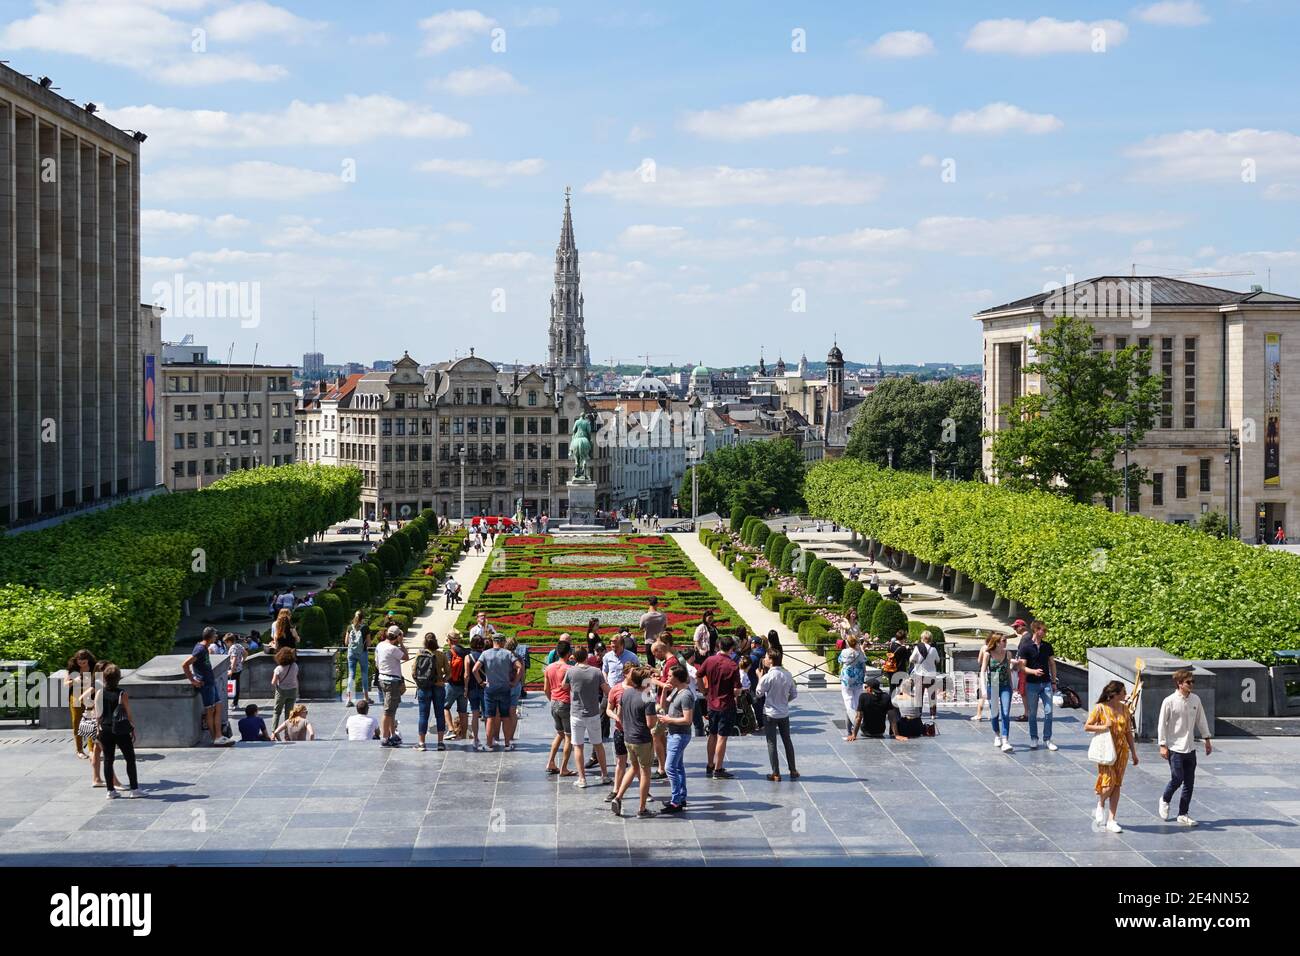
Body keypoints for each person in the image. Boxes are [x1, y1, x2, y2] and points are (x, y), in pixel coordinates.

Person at [1158, 668, 1212, 826]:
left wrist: (1207, 739)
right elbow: (1162, 724)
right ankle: (1165, 799)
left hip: (1190, 747)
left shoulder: (1195, 699)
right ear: (1179, 683)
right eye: (1189, 682)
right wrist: (1162, 744)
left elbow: (1201, 720)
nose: (1192, 684)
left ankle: (1183, 813)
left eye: (1193, 681)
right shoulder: (1169, 701)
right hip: (1174, 747)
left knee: (1189, 782)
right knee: (1177, 778)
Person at [1085, 680, 1138, 833]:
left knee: (1117, 784)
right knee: (1109, 782)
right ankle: (1101, 803)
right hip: (1106, 749)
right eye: (1123, 692)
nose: (1126, 694)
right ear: (1114, 694)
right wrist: (1103, 726)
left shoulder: (1124, 708)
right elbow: (1087, 726)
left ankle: (1112, 819)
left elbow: (1128, 732)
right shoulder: (1100, 708)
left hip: (1122, 750)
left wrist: (1133, 752)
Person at [610, 666, 659, 818]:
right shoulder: (647, 696)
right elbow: (650, 723)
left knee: (633, 767)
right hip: (642, 739)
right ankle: (642, 809)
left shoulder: (626, 692)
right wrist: (659, 716)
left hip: (628, 737)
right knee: (645, 773)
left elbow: (620, 714)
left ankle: (618, 797)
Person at [564, 647, 611, 788]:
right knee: (598, 745)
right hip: (593, 713)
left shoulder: (571, 671)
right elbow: (607, 690)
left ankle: (582, 779)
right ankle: (605, 775)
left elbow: (564, 686)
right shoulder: (596, 672)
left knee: (578, 746)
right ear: (587, 657)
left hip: (576, 714)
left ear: (574, 657)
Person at [701, 634, 742, 778]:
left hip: (711, 703)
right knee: (722, 737)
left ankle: (709, 764)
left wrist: (704, 691)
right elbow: (737, 689)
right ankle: (718, 769)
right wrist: (736, 695)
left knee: (712, 734)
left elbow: (698, 676)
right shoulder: (732, 665)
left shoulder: (710, 660)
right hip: (726, 705)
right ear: (731, 649)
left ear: (719, 646)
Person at [95, 664, 139, 798]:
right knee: (129, 758)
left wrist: (98, 729)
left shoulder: (99, 692)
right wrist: (132, 727)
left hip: (105, 729)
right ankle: (134, 790)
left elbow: (98, 714)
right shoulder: (122, 693)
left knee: (108, 759)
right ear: (119, 678)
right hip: (120, 729)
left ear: (105, 678)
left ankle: (111, 791)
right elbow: (128, 712)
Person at [474, 633, 523, 751]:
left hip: (490, 688)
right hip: (505, 687)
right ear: (502, 642)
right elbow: (519, 667)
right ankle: (507, 744)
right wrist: (515, 682)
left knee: (490, 717)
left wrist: (481, 682)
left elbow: (474, 669)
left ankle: (489, 744)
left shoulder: (485, 653)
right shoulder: (508, 654)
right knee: (505, 716)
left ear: (492, 641)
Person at [756, 650, 799, 781]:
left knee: (771, 743)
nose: (764, 659)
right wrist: (785, 701)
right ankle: (793, 769)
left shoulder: (768, 676)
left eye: (767, 657)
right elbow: (794, 694)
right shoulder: (787, 674)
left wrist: (759, 677)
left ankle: (776, 772)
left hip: (770, 713)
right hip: (783, 713)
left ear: (771, 660)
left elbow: (759, 693)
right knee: (787, 741)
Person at [182, 627, 229, 746]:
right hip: (206, 684)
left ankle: (219, 736)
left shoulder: (204, 648)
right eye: (214, 635)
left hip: (210, 682)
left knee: (218, 706)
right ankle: (215, 738)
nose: (216, 637)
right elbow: (185, 665)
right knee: (210, 710)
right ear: (210, 637)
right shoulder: (200, 649)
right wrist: (193, 680)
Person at [1016, 621, 1058, 750]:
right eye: (1043, 630)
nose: (1044, 633)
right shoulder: (1026, 647)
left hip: (1046, 683)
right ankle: (1034, 738)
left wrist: (1054, 681)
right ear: (1035, 630)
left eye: (1045, 631)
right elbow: (1022, 667)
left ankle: (1047, 739)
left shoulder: (1047, 646)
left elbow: (1052, 663)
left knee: (1049, 711)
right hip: (1032, 684)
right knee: (1032, 713)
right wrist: (1033, 671)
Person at [658, 663, 694, 813]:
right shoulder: (676, 691)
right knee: (678, 767)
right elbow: (663, 706)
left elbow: (688, 720)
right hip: (674, 734)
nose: (667, 677)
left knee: (669, 767)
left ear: (678, 678)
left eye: (670, 675)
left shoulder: (685, 695)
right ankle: (681, 797)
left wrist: (668, 720)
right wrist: (665, 691)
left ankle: (676, 802)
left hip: (680, 735)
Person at [980, 634, 1018, 754]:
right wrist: (984, 690)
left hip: (1005, 685)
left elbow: (1008, 670)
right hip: (994, 683)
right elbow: (982, 673)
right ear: (996, 642)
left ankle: (1005, 739)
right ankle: (997, 734)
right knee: (994, 713)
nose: (1005, 642)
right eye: (1003, 641)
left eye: (1006, 641)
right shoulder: (988, 654)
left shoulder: (1008, 654)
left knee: (1006, 712)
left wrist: (1012, 686)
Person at [544, 639, 575, 776]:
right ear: (569, 653)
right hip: (566, 703)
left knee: (559, 733)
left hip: (554, 702)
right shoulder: (570, 669)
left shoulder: (549, 668)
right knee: (569, 736)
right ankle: (564, 768)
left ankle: (550, 761)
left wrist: (552, 699)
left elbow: (546, 689)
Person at [413, 632, 449, 752]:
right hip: (438, 686)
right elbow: (449, 672)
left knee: (423, 715)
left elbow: (414, 672)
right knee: (439, 715)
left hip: (424, 687)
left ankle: (422, 743)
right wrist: (442, 680)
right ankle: (440, 742)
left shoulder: (420, 654)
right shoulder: (441, 654)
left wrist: (419, 682)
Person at [376, 625, 408, 747]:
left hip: (382, 679)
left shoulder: (380, 645)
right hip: (391, 681)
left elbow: (377, 663)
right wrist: (402, 644)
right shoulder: (393, 649)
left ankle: (392, 735)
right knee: (388, 710)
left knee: (391, 709)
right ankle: (385, 738)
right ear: (397, 636)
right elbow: (406, 657)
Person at [66, 649, 97, 760]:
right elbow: (66, 684)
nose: (82, 664)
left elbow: (97, 683)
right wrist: (74, 681)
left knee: (90, 722)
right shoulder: (73, 668)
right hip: (75, 697)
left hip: (89, 696)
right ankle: (79, 750)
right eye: (80, 663)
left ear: (88, 660)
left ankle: (91, 750)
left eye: (84, 662)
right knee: (77, 722)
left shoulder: (94, 667)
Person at [909, 630, 940, 731]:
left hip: (920, 674)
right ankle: (933, 714)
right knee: (932, 695)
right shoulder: (933, 649)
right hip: (931, 674)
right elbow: (938, 660)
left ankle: (919, 713)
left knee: (919, 695)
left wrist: (917, 662)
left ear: (922, 638)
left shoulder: (918, 648)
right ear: (930, 639)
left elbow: (911, 659)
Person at [444, 631, 470, 739]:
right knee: (463, 711)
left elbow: (449, 666)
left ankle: (450, 730)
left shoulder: (449, 652)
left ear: (449, 641)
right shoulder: (466, 651)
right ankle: (463, 734)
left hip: (452, 684)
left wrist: (445, 677)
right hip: (464, 685)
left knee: (445, 707)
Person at [838, 634, 867, 728]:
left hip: (847, 677)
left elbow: (840, 661)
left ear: (848, 642)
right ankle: (857, 718)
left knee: (848, 698)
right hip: (858, 676)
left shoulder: (844, 651)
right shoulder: (860, 652)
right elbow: (863, 665)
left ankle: (854, 719)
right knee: (857, 698)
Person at [465, 635, 488, 751]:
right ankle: (489, 739)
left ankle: (475, 739)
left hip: (472, 688)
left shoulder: (468, 657)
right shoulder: (485, 655)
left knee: (474, 714)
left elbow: (466, 675)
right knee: (486, 714)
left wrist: (465, 689)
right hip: (484, 686)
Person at [343, 611, 370, 707]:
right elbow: (369, 643)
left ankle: (348, 699)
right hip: (362, 653)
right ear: (362, 618)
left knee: (351, 675)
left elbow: (346, 642)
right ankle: (366, 698)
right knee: (364, 674)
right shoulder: (365, 628)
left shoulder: (350, 627)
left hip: (351, 653)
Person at [269, 647, 299, 731]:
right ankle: (287, 733)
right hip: (292, 690)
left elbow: (273, 682)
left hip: (281, 691)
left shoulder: (278, 669)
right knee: (289, 713)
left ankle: (274, 731)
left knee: (276, 712)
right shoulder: (295, 666)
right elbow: (295, 677)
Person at [227, 632, 247, 708]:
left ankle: (234, 703)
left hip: (234, 670)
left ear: (229, 641)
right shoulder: (239, 645)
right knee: (236, 685)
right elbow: (246, 653)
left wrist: (231, 671)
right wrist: (242, 661)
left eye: (226, 643)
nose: (226, 645)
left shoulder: (233, 647)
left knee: (233, 686)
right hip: (239, 668)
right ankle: (235, 703)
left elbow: (234, 659)